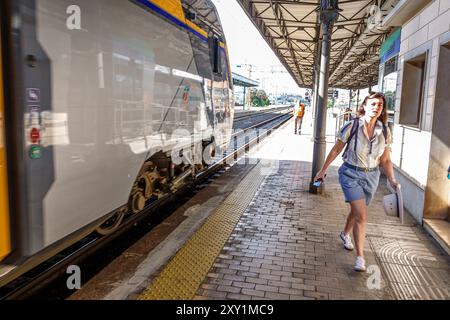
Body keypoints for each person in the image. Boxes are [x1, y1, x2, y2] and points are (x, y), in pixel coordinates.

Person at [314, 92, 400, 272]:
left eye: (380, 105)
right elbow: (336, 150)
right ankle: (361, 257)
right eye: (373, 104)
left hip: (372, 176)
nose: (377, 107)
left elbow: (385, 159)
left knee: (356, 210)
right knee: (362, 215)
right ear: (365, 105)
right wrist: (322, 171)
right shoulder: (351, 125)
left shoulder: (384, 130)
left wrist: (391, 178)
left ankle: (345, 233)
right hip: (350, 174)